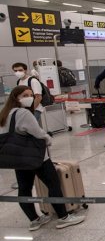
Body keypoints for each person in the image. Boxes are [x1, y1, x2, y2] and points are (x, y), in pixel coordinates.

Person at [0, 86, 85, 230]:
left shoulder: (5, 113)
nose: (29, 97)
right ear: (16, 97)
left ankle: (34, 220)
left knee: (24, 188)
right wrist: (48, 139)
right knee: (53, 183)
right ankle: (63, 217)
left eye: (31, 95)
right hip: (36, 156)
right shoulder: (23, 113)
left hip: (18, 157)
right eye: (25, 95)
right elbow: (38, 133)